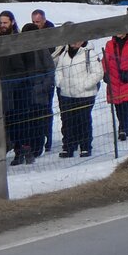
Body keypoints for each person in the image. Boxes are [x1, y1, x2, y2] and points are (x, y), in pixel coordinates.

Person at [52, 26, 103, 157]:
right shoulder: (64, 54)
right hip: (67, 94)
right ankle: (68, 146)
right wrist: (61, 83)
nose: (73, 41)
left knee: (83, 121)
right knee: (68, 122)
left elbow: (97, 72)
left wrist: (84, 85)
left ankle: (85, 146)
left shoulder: (89, 53)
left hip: (84, 94)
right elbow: (59, 70)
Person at [0, 10, 34, 165]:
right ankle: (18, 151)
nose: (3, 26)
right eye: (1, 23)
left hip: (20, 88)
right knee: (10, 123)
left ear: (12, 22)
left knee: (22, 121)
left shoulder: (18, 40)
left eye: (5, 22)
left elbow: (26, 64)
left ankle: (26, 150)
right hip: (4, 88)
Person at [21, 22, 56, 157]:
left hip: (39, 92)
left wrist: (42, 87)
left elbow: (50, 69)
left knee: (39, 120)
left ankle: (38, 146)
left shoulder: (42, 49)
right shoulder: (20, 49)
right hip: (24, 92)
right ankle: (28, 146)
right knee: (27, 121)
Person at [102, 31, 128, 141]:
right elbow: (105, 60)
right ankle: (123, 125)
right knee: (118, 106)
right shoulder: (109, 44)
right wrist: (105, 73)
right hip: (114, 79)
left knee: (126, 105)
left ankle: (123, 128)